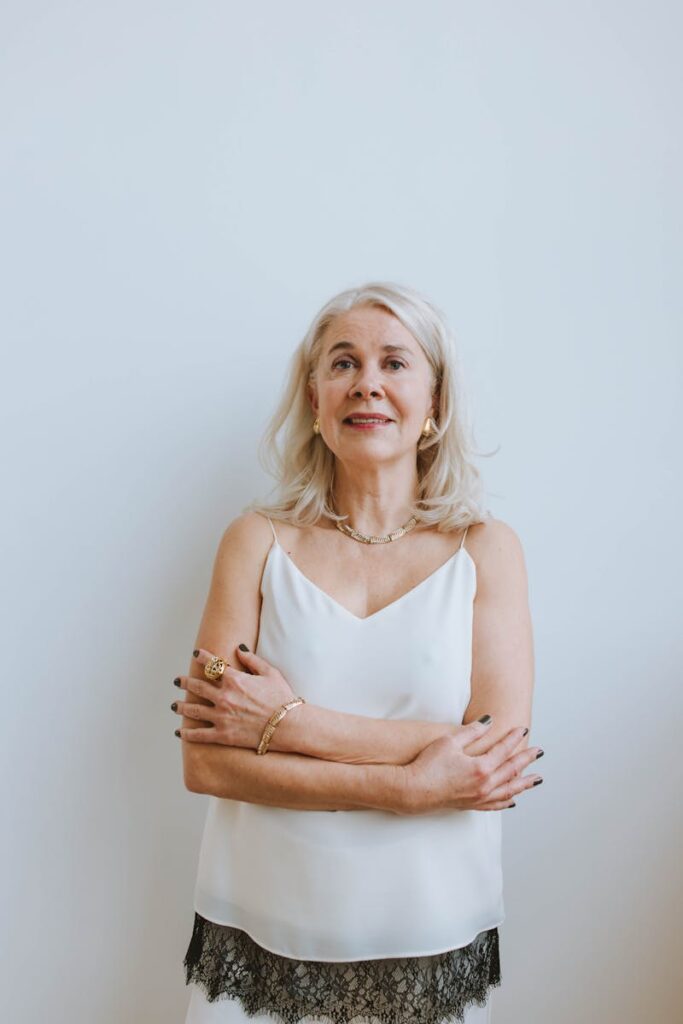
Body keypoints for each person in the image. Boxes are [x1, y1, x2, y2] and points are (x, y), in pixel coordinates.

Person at [172, 281, 542, 1024]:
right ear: (314, 400)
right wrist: (411, 785)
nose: (365, 382)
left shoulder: (485, 551)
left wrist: (287, 723)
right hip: (263, 931)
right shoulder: (255, 542)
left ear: (434, 404)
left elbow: (494, 761)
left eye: (393, 362)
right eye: (342, 362)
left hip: (428, 929)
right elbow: (204, 762)